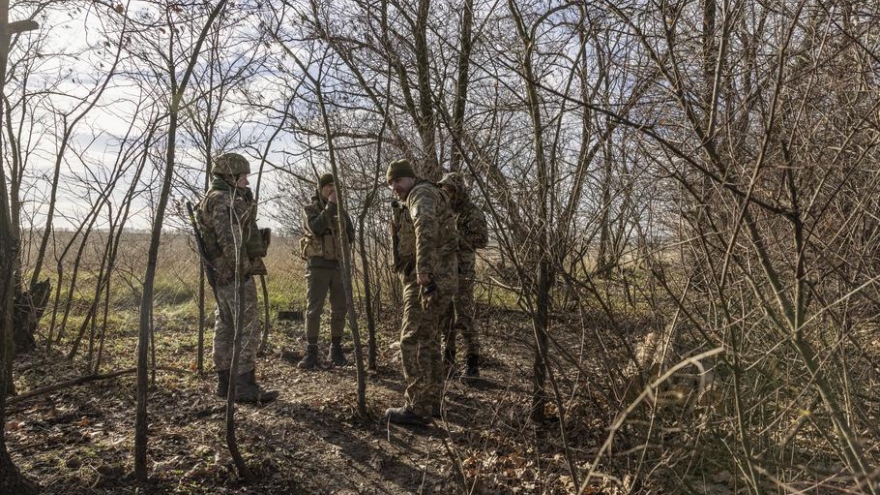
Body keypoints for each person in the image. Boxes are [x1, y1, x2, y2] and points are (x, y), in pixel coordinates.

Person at [197, 152, 279, 403]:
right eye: (242, 176)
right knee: (247, 329)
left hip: (222, 274)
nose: (246, 180)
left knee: (225, 326)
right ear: (229, 176)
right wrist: (243, 269)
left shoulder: (217, 198)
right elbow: (230, 241)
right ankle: (243, 386)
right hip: (233, 274)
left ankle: (225, 383)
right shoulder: (223, 200)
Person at [385, 159, 458, 426]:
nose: (394, 186)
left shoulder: (421, 194)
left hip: (428, 278)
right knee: (428, 339)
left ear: (410, 178)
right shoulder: (423, 194)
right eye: (390, 183)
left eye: (398, 180)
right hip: (442, 277)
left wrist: (423, 271)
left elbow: (425, 226)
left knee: (411, 340)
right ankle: (433, 403)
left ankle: (416, 407)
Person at [297, 173, 355, 369]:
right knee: (314, 310)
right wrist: (330, 207)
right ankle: (311, 351)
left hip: (339, 267)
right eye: (328, 186)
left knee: (340, 309)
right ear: (320, 189)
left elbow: (351, 235)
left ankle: (336, 349)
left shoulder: (342, 212)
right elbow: (316, 228)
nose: (331, 189)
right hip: (318, 267)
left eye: (334, 186)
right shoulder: (310, 209)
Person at [437, 172, 488, 378]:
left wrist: (454, 238)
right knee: (445, 316)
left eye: (449, 189)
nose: (446, 193)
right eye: (444, 189)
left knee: (465, 316)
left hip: (463, 272)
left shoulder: (472, 212)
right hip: (445, 271)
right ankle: (447, 360)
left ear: (458, 190)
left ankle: (472, 363)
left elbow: (481, 240)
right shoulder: (444, 212)